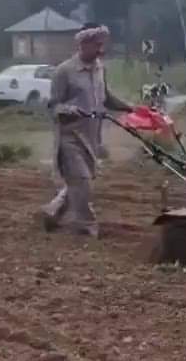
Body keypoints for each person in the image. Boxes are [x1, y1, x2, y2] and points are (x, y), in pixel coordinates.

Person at [40, 22, 133, 237]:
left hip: (92, 137)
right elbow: (53, 106)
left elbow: (106, 97)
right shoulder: (64, 71)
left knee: (81, 180)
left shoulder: (100, 68)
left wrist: (131, 107)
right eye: (97, 45)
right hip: (70, 137)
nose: (102, 49)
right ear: (83, 44)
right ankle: (87, 226)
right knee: (81, 181)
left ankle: (52, 211)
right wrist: (69, 109)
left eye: (103, 44)